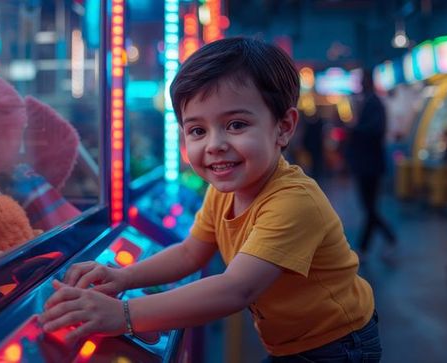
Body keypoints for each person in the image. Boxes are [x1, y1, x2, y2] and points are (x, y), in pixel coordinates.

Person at [39, 37, 381, 362]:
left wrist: (124, 315)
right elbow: (190, 252)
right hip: (292, 340)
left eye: (235, 124)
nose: (214, 144)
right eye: (197, 131)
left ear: (283, 127)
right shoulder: (224, 193)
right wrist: (123, 277)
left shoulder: (293, 201)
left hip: (337, 344)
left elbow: (236, 290)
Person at [346, 70, 397, 262]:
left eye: (362, 81)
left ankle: (370, 245)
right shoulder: (370, 102)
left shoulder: (373, 103)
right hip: (368, 163)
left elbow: (375, 130)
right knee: (369, 207)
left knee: (369, 207)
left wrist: (354, 130)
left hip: (370, 164)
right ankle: (373, 244)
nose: (359, 84)